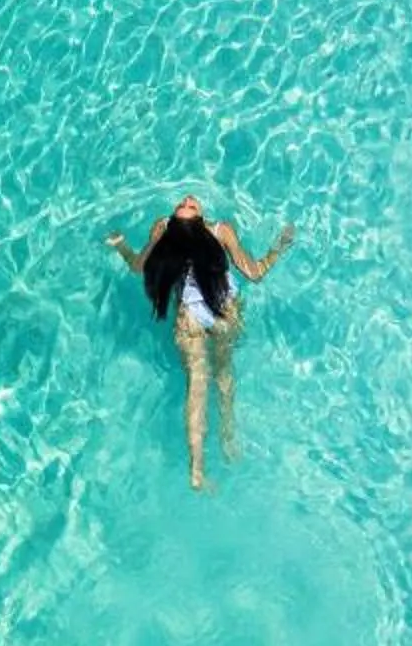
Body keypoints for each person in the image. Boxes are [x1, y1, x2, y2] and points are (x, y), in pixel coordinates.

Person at [106, 198, 296, 492]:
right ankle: (227, 437)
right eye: (189, 206)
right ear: (200, 219)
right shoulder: (221, 231)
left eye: (186, 204)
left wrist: (121, 246)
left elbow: (138, 267)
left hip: (189, 321)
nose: (187, 199)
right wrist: (279, 248)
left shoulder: (163, 229)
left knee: (197, 384)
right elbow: (255, 273)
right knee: (223, 373)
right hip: (224, 313)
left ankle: (197, 471)